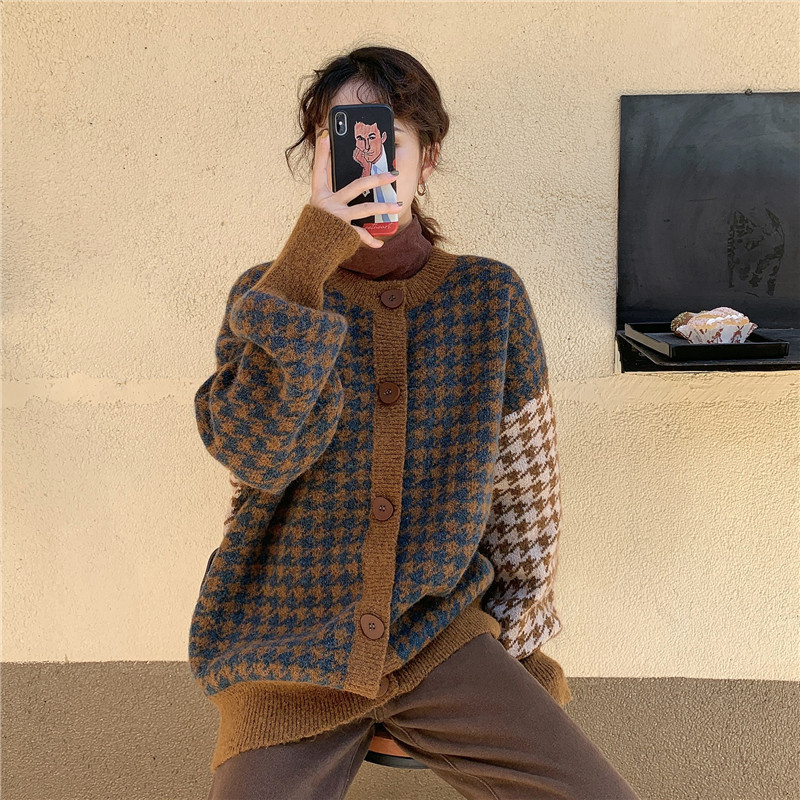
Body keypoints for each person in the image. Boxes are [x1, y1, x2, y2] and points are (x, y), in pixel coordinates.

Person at [190, 45, 642, 800]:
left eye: (386, 140)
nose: (365, 161)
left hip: (438, 636)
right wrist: (310, 252)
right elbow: (256, 455)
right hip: (285, 641)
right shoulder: (271, 296)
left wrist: (514, 655)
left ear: (426, 157)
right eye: (340, 139)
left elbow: (525, 502)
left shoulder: (487, 299)